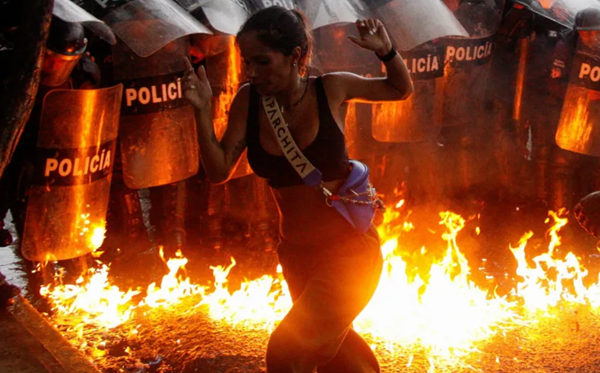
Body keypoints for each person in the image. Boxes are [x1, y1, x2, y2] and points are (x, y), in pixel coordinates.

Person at [183, 6, 413, 373]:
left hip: (349, 253)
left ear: (295, 56)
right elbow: (219, 170)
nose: (252, 73)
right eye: (247, 62)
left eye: (262, 61)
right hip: (296, 255)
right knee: (335, 353)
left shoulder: (332, 88)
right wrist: (199, 111)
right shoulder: (249, 100)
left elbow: (400, 90)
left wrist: (386, 51)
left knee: (287, 351)